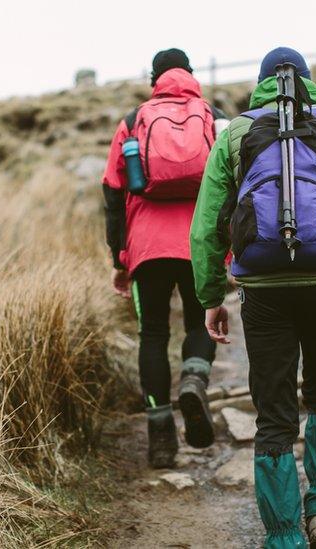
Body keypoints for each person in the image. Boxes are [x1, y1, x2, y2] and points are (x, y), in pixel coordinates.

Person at [191, 47, 316, 548]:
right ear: (307, 81)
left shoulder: (235, 133)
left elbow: (206, 227)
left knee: (273, 413)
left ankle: (285, 537)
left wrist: (211, 295)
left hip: (262, 292)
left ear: (260, 84)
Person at [102, 48, 229, 469]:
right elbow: (232, 184)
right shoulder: (211, 115)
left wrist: (121, 258)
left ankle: (160, 438)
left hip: (148, 248)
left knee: (153, 335)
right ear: (191, 75)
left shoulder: (132, 121)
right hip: (199, 244)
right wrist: (226, 250)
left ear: (153, 79)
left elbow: (113, 190)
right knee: (200, 322)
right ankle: (193, 380)